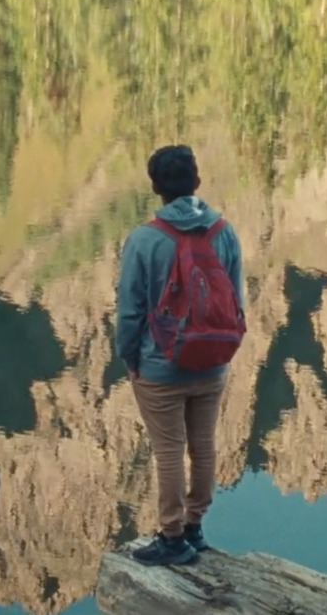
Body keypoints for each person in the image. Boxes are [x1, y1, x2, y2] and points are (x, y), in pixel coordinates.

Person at [115, 144, 246, 567]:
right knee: (203, 444)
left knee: (169, 450)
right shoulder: (224, 232)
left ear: (155, 187)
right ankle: (195, 527)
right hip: (213, 362)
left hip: (160, 366)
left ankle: (171, 538)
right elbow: (237, 299)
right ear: (197, 182)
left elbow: (131, 310)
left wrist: (130, 358)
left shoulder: (144, 239)